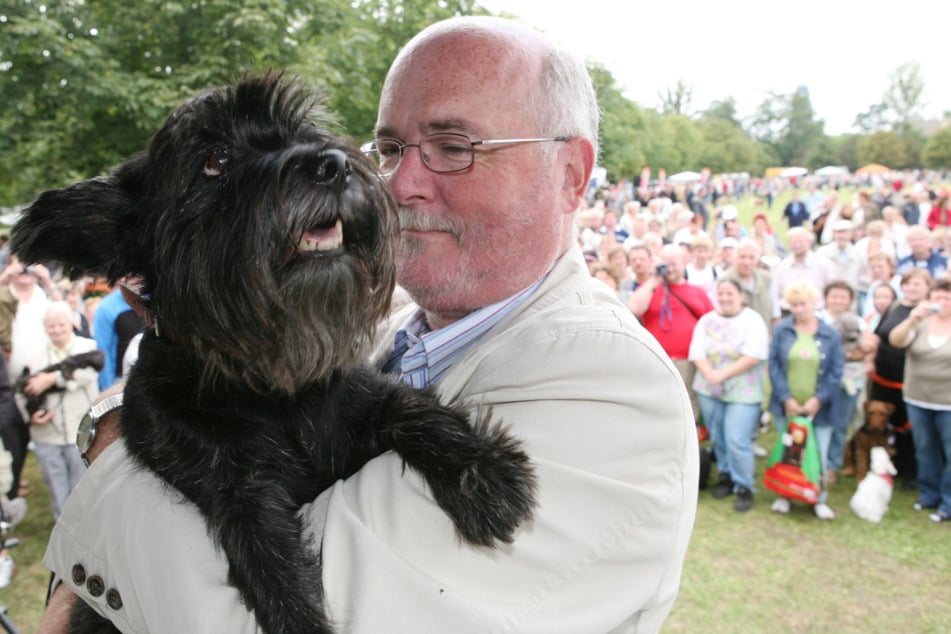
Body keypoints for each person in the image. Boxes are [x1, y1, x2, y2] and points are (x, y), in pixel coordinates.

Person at [40, 17, 698, 633]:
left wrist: (110, 454)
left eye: (453, 146)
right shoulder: (368, 328)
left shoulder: (609, 390)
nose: (400, 181)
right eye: (387, 147)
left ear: (570, 176)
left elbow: (252, 620)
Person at [689, 278, 769, 512]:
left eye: (730, 293)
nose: (724, 298)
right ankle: (725, 475)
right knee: (718, 436)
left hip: (742, 389)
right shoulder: (707, 320)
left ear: (741, 296)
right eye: (721, 293)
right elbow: (697, 351)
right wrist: (709, 374)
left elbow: (753, 355)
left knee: (737, 439)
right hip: (708, 388)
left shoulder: (752, 320)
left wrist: (721, 375)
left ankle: (744, 485)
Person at [767, 281, 844, 519]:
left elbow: (835, 371)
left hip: (819, 409)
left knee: (818, 452)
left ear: (814, 304)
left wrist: (818, 400)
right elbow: (775, 366)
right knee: (788, 451)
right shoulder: (782, 330)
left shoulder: (830, 334)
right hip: (787, 406)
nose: (798, 309)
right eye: (793, 305)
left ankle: (818, 498)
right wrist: (786, 398)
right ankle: (785, 494)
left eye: (803, 304)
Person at [14, 302, 98, 519]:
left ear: (71, 323)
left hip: (78, 431)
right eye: (51, 326)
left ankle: (85, 528)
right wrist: (31, 415)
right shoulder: (35, 355)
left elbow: (88, 374)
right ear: (45, 328)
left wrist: (53, 378)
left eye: (61, 324)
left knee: (81, 484)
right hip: (47, 434)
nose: (57, 330)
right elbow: (21, 391)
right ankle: (62, 527)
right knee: (56, 485)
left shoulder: (87, 347)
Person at [886, 277, 951, 522]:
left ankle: (948, 502)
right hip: (918, 398)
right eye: (938, 297)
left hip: (947, 401)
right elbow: (896, 340)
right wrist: (913, 318)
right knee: (925, 448)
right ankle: (928, 495)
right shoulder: (921, 323)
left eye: (947, 297)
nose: (942, 302)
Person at [629, 242, 715, 422]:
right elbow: (634, 308)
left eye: (673, 263)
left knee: (687, 404)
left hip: (688, 361)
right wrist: (654, 279)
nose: (669, 269)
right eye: (665, 264)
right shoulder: (652, 289)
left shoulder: (696, 292)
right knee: (659, 404)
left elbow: (711, 325)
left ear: (683, 263)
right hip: (658, 359)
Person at [868, 268, 933, 488]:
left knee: (910, 427)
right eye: (908, 283)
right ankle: (890, 463)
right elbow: (878, 333)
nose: (912, 288)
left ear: (927, 288)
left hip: (909, 379)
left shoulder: (929, 312)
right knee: (889, 424)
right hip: (882, 378)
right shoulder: (895, 307)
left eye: (918, 284)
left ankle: (912, 471)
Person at [816, 280, 867, 484]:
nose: (837, 300)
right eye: (834, 296)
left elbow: (865, 348)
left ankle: (832, 465)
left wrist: (837, 357)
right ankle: (812, 461)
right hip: (819, 380)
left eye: (843, 297)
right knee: (817, 422)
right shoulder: (816, 318)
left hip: (848, 380)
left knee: (840, 423)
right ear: (826, 297)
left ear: (850, 301)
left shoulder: (858, 322)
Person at [770, 227, 834, 320]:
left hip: (817, 314)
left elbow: (831, 289)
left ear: (809, 243)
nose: (796, 245)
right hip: (788, 314)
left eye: (800, 242)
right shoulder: (782, 266)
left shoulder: (823, 264)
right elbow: (775, 292)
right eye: (793, 242)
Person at [721, 238, 773, 330]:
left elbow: (775, 314)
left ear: (757, 260)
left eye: (751, 257)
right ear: (736, 258)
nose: (746, 262)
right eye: (742, 257)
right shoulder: (724, 279)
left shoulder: (767, 279)